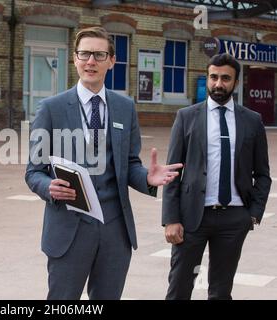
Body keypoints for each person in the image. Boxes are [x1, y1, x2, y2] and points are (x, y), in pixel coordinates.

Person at [25, 27, 182, 300]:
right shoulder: (51, 109)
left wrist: (146, 177)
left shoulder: (125, 107)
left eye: (99, 55)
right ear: (74, 59)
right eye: (84, 54)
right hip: (69, 230)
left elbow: (130, 164)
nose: (91, 61)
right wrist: (48, 186)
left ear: (111, 61)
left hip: (114, 231)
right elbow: (34, 171)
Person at [162, 53, 271, 300]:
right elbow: (172, 171)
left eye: (225, 78)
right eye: (213, 77)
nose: (218, 84)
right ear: (207, 78)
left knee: (221, 291)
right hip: (191, 218)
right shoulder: (186, 116)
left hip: (234, 218)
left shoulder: (252, 121)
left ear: (236, 83)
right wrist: (171, 218)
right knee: (179, 286)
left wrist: (252, 214)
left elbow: (263, 174)